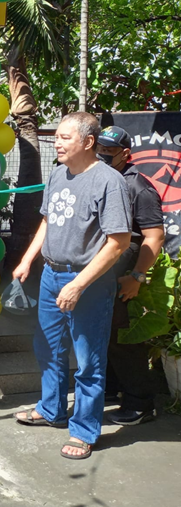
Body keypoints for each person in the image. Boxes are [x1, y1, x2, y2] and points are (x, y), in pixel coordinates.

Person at [13, 113, 131, 460]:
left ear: (88, 142)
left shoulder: (109, 183)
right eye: (58, 137)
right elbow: (48, 222)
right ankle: (51, 410)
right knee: (48, 348)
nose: (58, 143)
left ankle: (84, 431)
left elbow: (117, 243)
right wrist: (27, 259)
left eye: (65, 137)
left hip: (88, 283)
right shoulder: (58, 175)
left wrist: (78, 284)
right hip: (51, 276)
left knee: (89, 360)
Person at [95, 126, 165, 426]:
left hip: (124, 266)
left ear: (126, 154)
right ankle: (113, 389)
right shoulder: (99, 178)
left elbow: (154, 237)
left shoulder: (138, 187)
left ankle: (140, 403)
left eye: (109, 151)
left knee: (122, 335)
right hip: (102, 264)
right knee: (104, 333)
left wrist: (136, 276)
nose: (102, 155)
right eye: (99, 148)